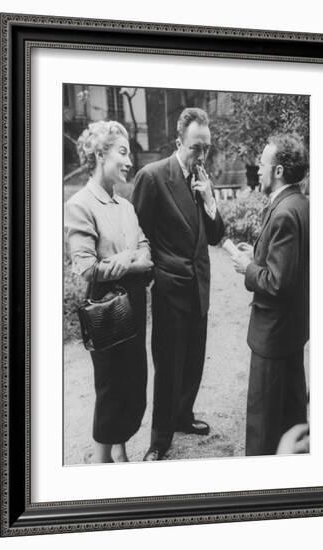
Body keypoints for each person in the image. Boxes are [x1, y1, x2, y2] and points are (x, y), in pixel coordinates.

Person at [133, 108, 225, 461]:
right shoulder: (153, 176)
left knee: (193, 361)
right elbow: (138, 233)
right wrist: (154, 275)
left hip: (199, 286)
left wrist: (209, 201)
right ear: (178, 142)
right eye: (195, 148)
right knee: (169, 365)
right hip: (170, 290)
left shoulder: (204, 179)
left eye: (207, 148)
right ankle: (159, 439)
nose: (201, 156)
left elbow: (215, 236)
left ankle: (183, 416)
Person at [64, 121, 153, 463]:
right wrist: (131, 262)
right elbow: (85, 267)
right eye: (123, 151)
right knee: (111, 390)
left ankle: (122, 450)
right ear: (100, 154)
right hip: (105, 308)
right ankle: (102, 466)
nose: (130, 159)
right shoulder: (80, 204)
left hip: (134, 305)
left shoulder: (127, 206)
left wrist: (126, 258)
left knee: (133, 386)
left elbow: (147, 255)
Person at [232, 133, 309, 456]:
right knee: (291, 415)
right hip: (291, 334)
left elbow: (278, 283)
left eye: (262, 164)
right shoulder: (300, 204)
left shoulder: (283, 213)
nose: (258, 169)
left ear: (277, 171)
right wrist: (258, 255)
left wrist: (248, 267)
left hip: (273, 337)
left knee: (263, 427)